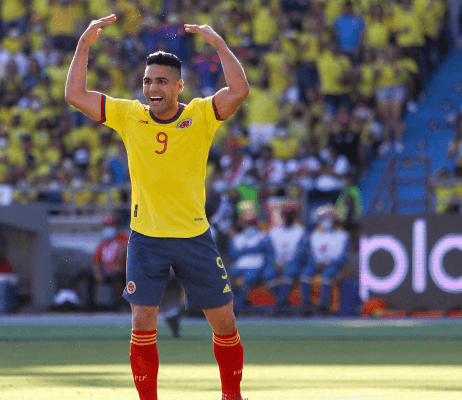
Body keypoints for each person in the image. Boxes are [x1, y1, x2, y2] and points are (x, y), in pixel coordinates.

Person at [65, 14, 250, 400]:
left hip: (193, 236)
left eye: (161, 81)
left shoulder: (200, 114)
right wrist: (83, 45)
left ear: (178, 86)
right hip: (146, 238)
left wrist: (218, 44)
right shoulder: (128, 115)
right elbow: (75, 96)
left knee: (224, 321)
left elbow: (239, 91)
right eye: (148, 81)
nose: (152, 87)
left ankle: (232, 397)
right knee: (142, 319)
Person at [299, 205, 349, 315]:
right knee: (305, 274)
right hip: (316, 265)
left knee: (327, 275)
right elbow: (309, 254)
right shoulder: (314, 235)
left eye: (328, 218)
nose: (325, 221)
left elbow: (344, 257)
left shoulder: (342, 235)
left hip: (333, 265)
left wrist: (330, 263)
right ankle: (305, 304)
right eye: (322, 219)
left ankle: (324, 305)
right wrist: (315, 263)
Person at [268, 204, 307, 308]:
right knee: (268, 274)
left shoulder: (300, 231)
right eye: (286, 214)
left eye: (290, 214)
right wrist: (274, 263)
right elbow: (269, 251)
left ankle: (280, 303)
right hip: (276, 263)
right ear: (282, 215)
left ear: (294, 215)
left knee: (290, 272)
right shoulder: (274, 231)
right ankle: (283, 301)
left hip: (292, 263)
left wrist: (288, 263)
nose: (288, 216)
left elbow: (301, 252)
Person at [87, 215, 129, 310]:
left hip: (122, 270)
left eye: (109, 226)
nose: (107, 229)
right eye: (105, 226)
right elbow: (96, 262)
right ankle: (90, 306)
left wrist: (117, 264)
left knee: (118, 277)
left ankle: (118, 306)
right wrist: (98, 274)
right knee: (89, 276)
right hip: (107, 270)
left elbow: (126, 249)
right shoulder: (103, 243)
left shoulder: (122, 237)